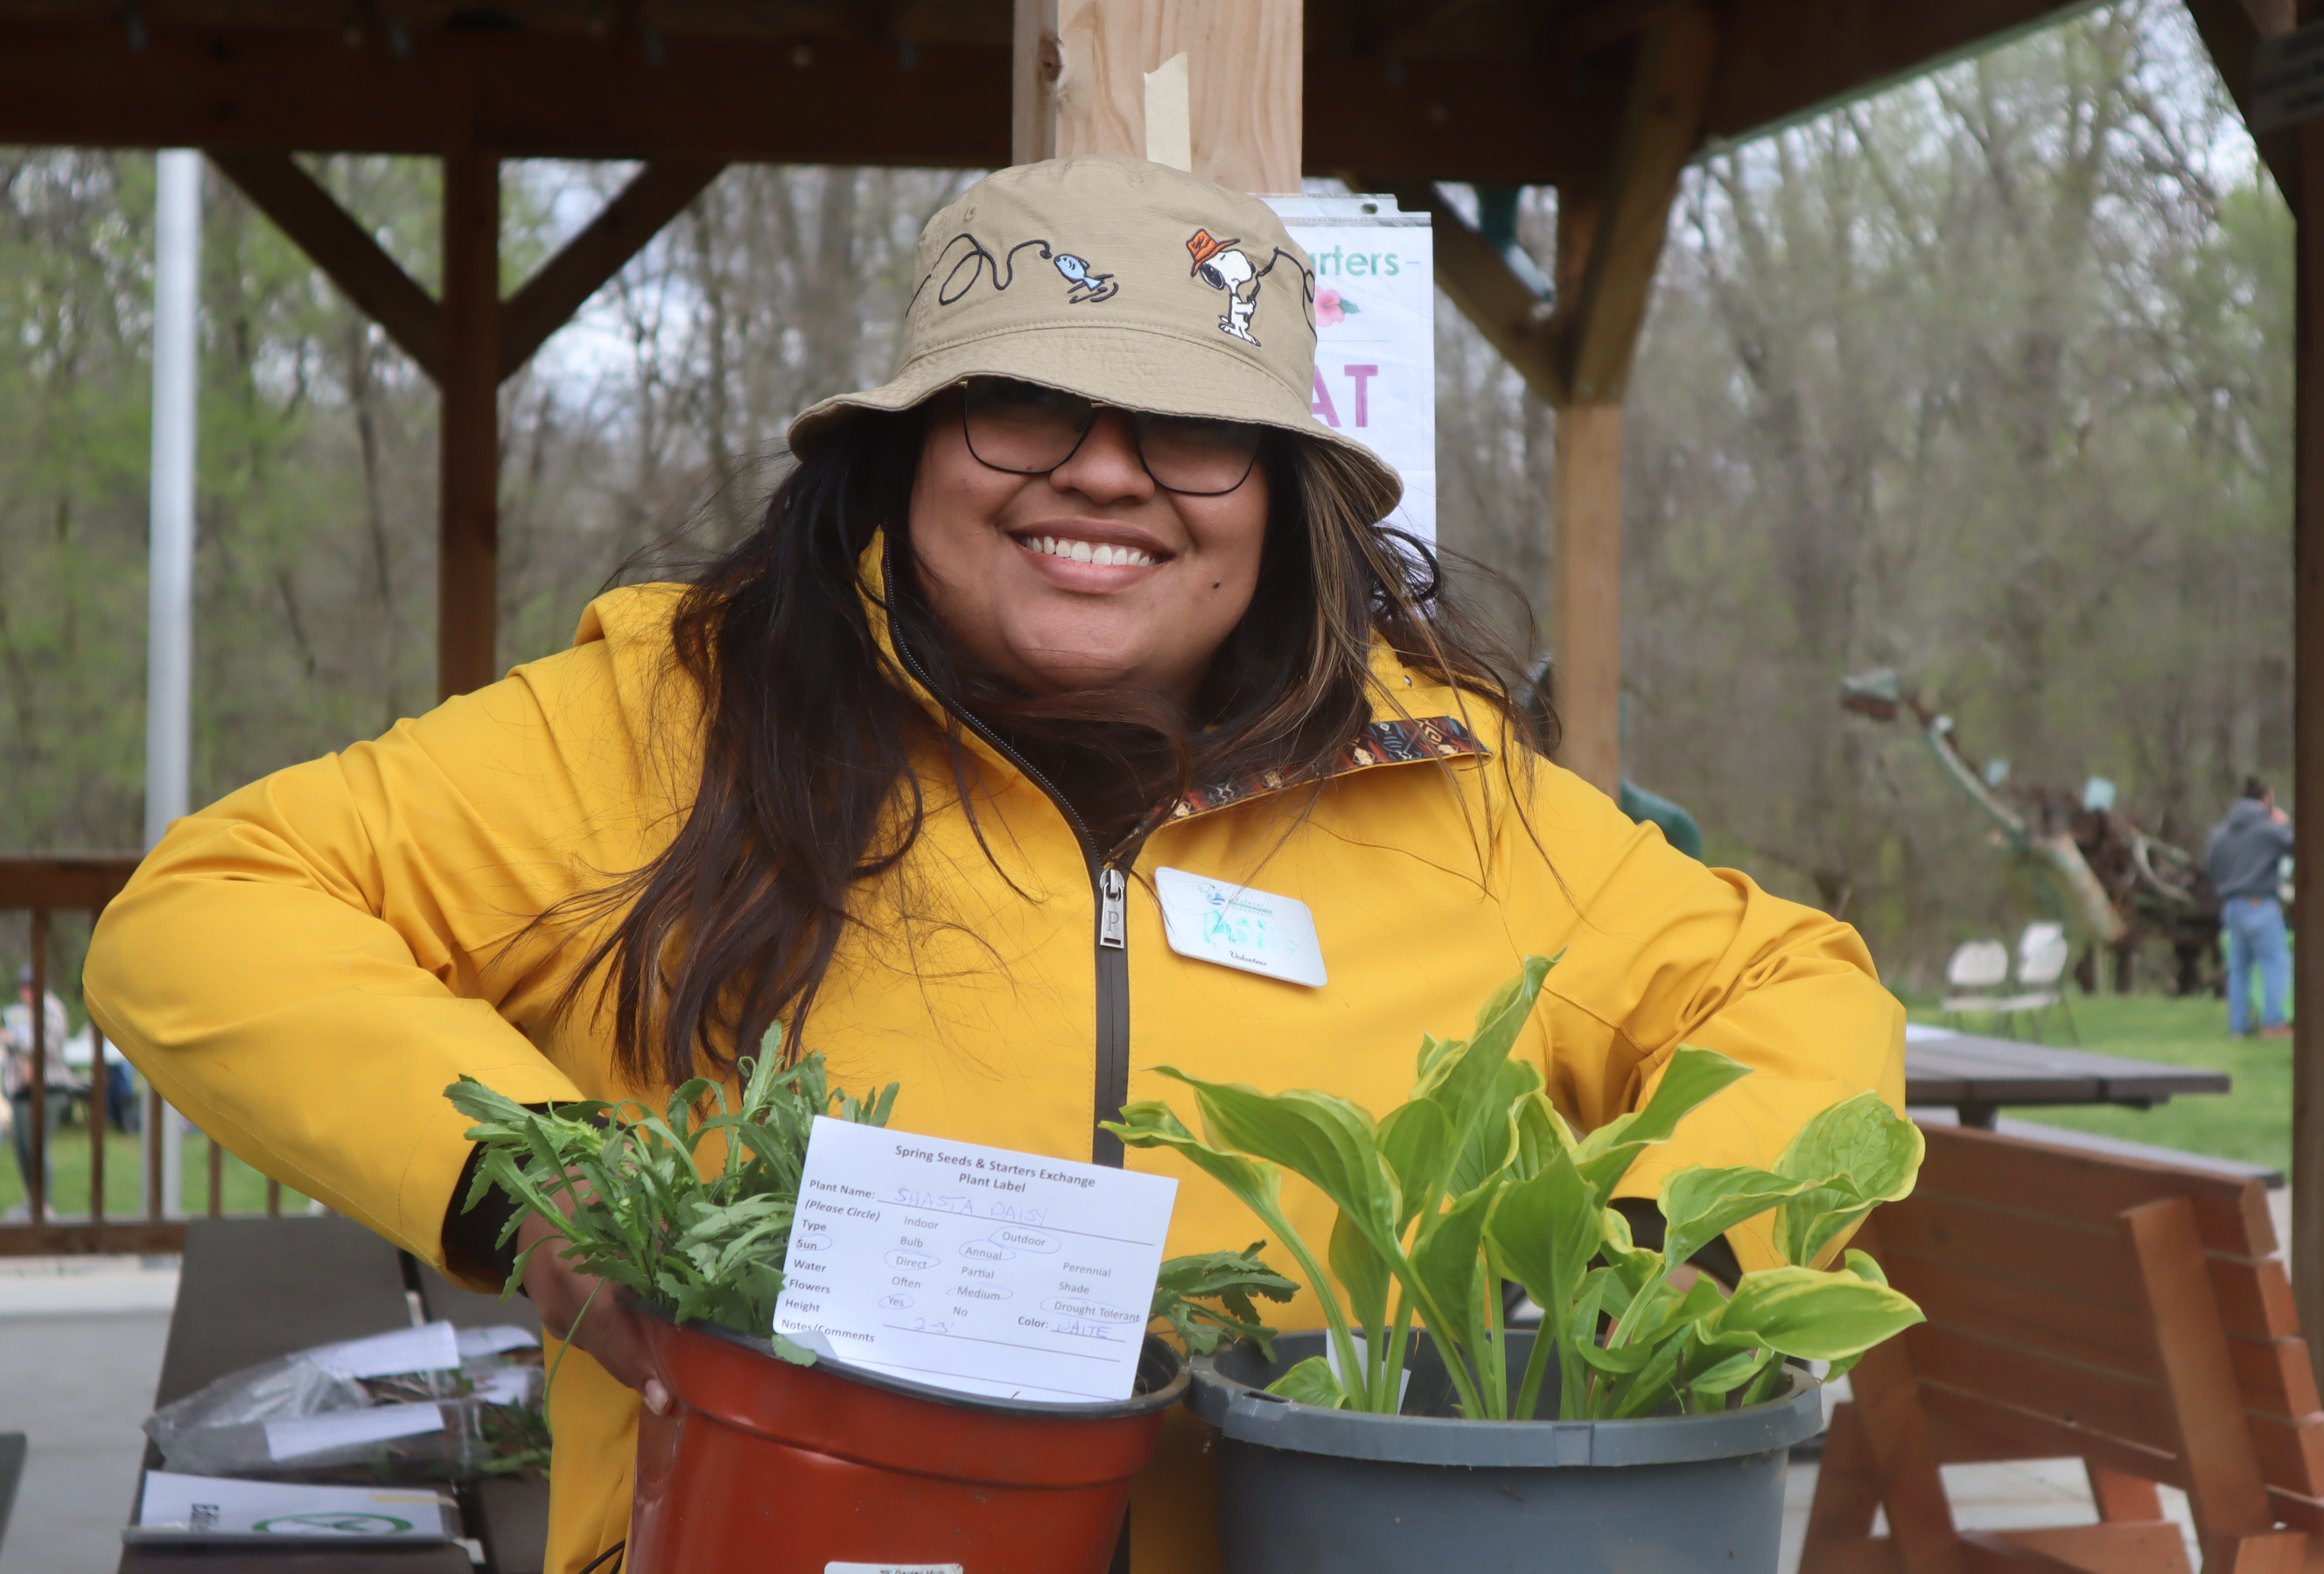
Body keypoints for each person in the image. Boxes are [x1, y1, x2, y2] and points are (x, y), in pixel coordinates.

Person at [85, 157, 1904, 1574]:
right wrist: (524, 1198)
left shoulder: (1448, 789)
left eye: (1189, 429)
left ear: (1281, 494)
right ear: (900, 454)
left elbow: (1790, 991)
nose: (1103, 476)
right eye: (1022, 403)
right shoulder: (661, 727)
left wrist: (1642, 1278)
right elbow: (205, 916)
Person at [2208, 776, 2294, 1039]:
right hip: (2260, 901)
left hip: (2232, 904)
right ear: (2266, 800)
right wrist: (2286, 824)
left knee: (2239, 966)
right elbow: (2301, 847)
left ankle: (2239, 1027)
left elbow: (2211, 866)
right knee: (2276, 962)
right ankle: (2275, 1022)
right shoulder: (2269, 829)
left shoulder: (2220, 833)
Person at [4, 963, 74, 1207]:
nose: (27, 991)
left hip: (48, 1089)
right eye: (24, 986)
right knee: (22, 1148)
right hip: (22, 1091)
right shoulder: (20, 1013)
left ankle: (44, 1204)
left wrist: (12, 1041)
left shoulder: (52, 1010)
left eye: (32, 986)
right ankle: (33, 1201)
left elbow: (45, 1047)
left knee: (36, 1147)